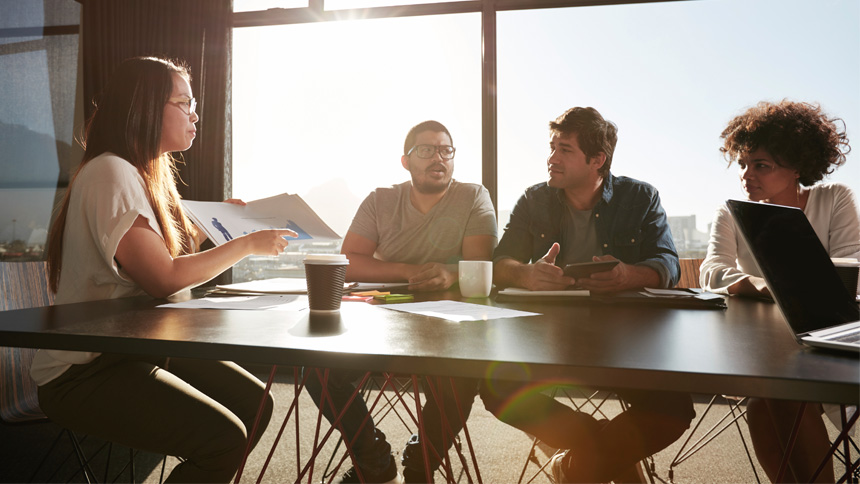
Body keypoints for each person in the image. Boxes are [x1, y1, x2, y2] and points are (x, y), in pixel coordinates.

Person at [33, 57, 297, 483]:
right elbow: (163, 277)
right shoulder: (110, 172)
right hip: (85, 369)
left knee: (256, 404)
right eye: (185, 103)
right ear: (146, 107)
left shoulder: (141, 174)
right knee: (224, 440)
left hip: (133, 348)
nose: (195, 114)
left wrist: (208, 229)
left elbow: (152, 260)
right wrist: (245, 244)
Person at [483, 106, 695, 483]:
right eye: (552, 147)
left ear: (598, 160)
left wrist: (628, 275)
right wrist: (526, 274)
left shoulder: (640, 197)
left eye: (564, 150)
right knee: (496, 388)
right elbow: (501, 261)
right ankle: (605, 456)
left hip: (626, 338)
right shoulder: (535, 199)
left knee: (673, 409)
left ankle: (572, 467)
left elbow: (668, 264)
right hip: (549, 335)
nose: (551, 159)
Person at [305, 120, 498, 484]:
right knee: (318, 372)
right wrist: (412, 272)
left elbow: (478, 263)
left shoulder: (473, 195)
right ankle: (373, 458)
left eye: (446, 150)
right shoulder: (381, 199)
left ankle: (422, 459)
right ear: (406, 161)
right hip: (381, 317)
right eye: (426, 150)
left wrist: (451, 274)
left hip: (451, 323)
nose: (438, 157)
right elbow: (349, 262)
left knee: (462, 378)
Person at [700, 100, 860, 483]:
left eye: (762, 165)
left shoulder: (833, 198)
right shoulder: (734, 213)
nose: (746, 175)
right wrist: (765, 284)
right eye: (742, 163)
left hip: (828, 341)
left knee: (773, 398)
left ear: (797, 168)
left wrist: (782, 285)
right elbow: (711, 271)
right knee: (767, 397)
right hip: (766, 348)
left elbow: (850, 267)